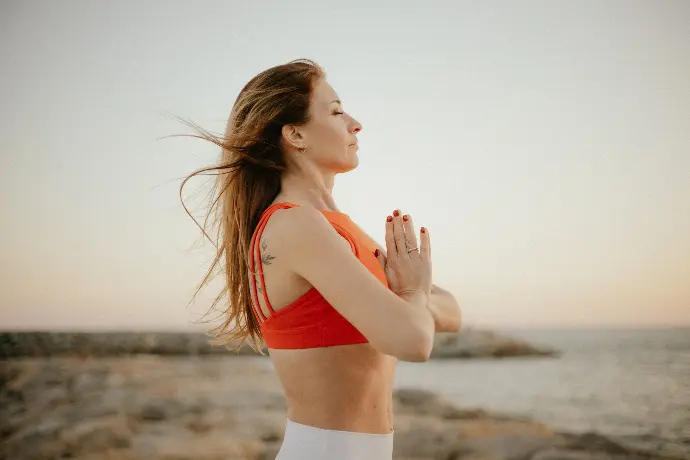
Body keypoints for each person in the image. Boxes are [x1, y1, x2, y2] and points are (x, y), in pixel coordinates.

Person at [177, 59, 462, 460]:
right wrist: (411, 291)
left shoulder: (336, 229)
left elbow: (451, 313)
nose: (355, 124)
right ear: (294, 134)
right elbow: (413, 340)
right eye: (336, 110)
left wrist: (410, 299)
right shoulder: (295, 227)